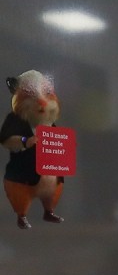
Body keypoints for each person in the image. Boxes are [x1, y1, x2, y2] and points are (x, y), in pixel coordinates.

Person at [2, 71, 63, 230]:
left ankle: (49, 211)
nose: (41, 102)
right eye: (32, 96)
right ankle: (22, 216)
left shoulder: (50, 125)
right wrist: (24, 141)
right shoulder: (15, 120)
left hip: (50, 177)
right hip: (22, 176)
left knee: (53, 192)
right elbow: (6, 140)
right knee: (21, 197)